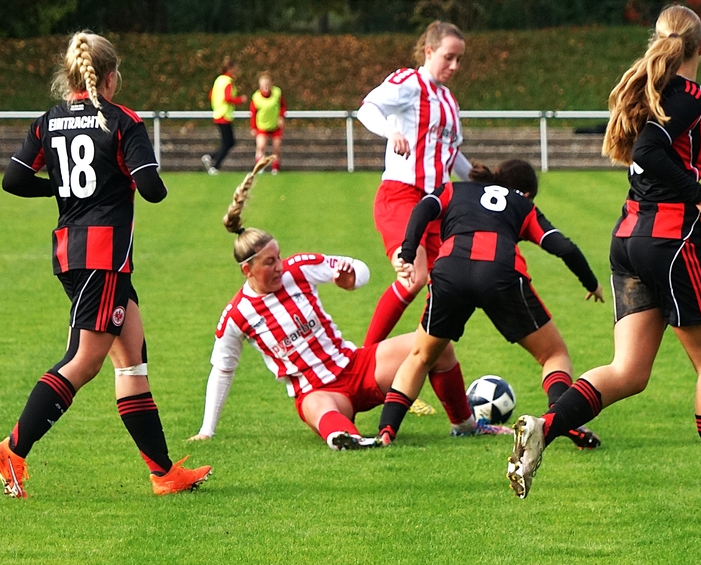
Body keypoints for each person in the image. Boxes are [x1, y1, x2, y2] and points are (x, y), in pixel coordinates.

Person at [505, 5, 701, 520]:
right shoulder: (689, 93)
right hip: (669, 242)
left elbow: (657, 151)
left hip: (629, 237)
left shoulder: (654, 90)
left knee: (629, 371)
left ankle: (545, 428)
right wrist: (700, 192)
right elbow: (649, 152)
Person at [0, 31, 211, 498]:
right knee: (84, 361)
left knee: (131, 363)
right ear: (110, 77)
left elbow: (13, 179)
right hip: (103, 257)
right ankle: (13, 449)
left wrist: (58, 188)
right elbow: (152, 189)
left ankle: (163, 473)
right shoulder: (122, 121)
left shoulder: (48, 121)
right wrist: (133, 174)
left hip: (73, 251)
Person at [186, 158, 509, 450]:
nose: (279, 266)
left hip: (357, 365)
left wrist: (351, 279)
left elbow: (360, 269)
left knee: (437, 344)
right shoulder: (237, 315)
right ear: (247, 270)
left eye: (279, 257)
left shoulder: (299, 268)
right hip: (318, 391)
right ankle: (347, 438)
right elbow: (222, 370)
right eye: (269, 263)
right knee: (319, 409)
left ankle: (465, 425)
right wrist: (206, 430)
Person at [376, 159, 605, 446]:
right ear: (527, 193)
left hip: (451, 271)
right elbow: (563, 247)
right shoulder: (522, 205)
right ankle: (561, 420)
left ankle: (386, 432)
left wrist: (408, 252)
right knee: (554, 354)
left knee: (420, 357)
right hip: (500, 274)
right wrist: (591, 283)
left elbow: (422, 208)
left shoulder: (453, 189)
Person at [356, 21, 473, 347]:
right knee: (413, 276)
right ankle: (364, 356)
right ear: (429, 51)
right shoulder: (409, 82)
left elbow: (451, 153)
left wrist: (480, 179)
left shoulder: (448, 100)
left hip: (438, 205)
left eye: (459, 60)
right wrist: (391, 131)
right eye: (448, 57)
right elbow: (367, 109)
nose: (454, 66)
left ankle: (429, 354)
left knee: (449, 289)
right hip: (402, 195)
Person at [202, 57, 246, 175]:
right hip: (224, 115)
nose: (237, 70)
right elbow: (227, 98)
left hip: (218, 113)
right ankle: (214, 164)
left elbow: (211, 95)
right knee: (229, 142)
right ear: (230, 68)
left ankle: (211, 158)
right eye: (235, 68)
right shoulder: (228, 81)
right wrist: (240, 100)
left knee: (228, 142)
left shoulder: (219, 80)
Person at [250, 71, 287, 174]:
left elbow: (283, 106)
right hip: (262, 126)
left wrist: (281, 116)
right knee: (261, 146)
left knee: (276, 148)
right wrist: (253, 127)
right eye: (263, 85)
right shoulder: (256, 97)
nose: (265, 87)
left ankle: (275, 168)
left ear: (271, 84)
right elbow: (253, 113)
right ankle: (260, 167)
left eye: (267, 85)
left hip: (275, 125)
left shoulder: (277, 93)